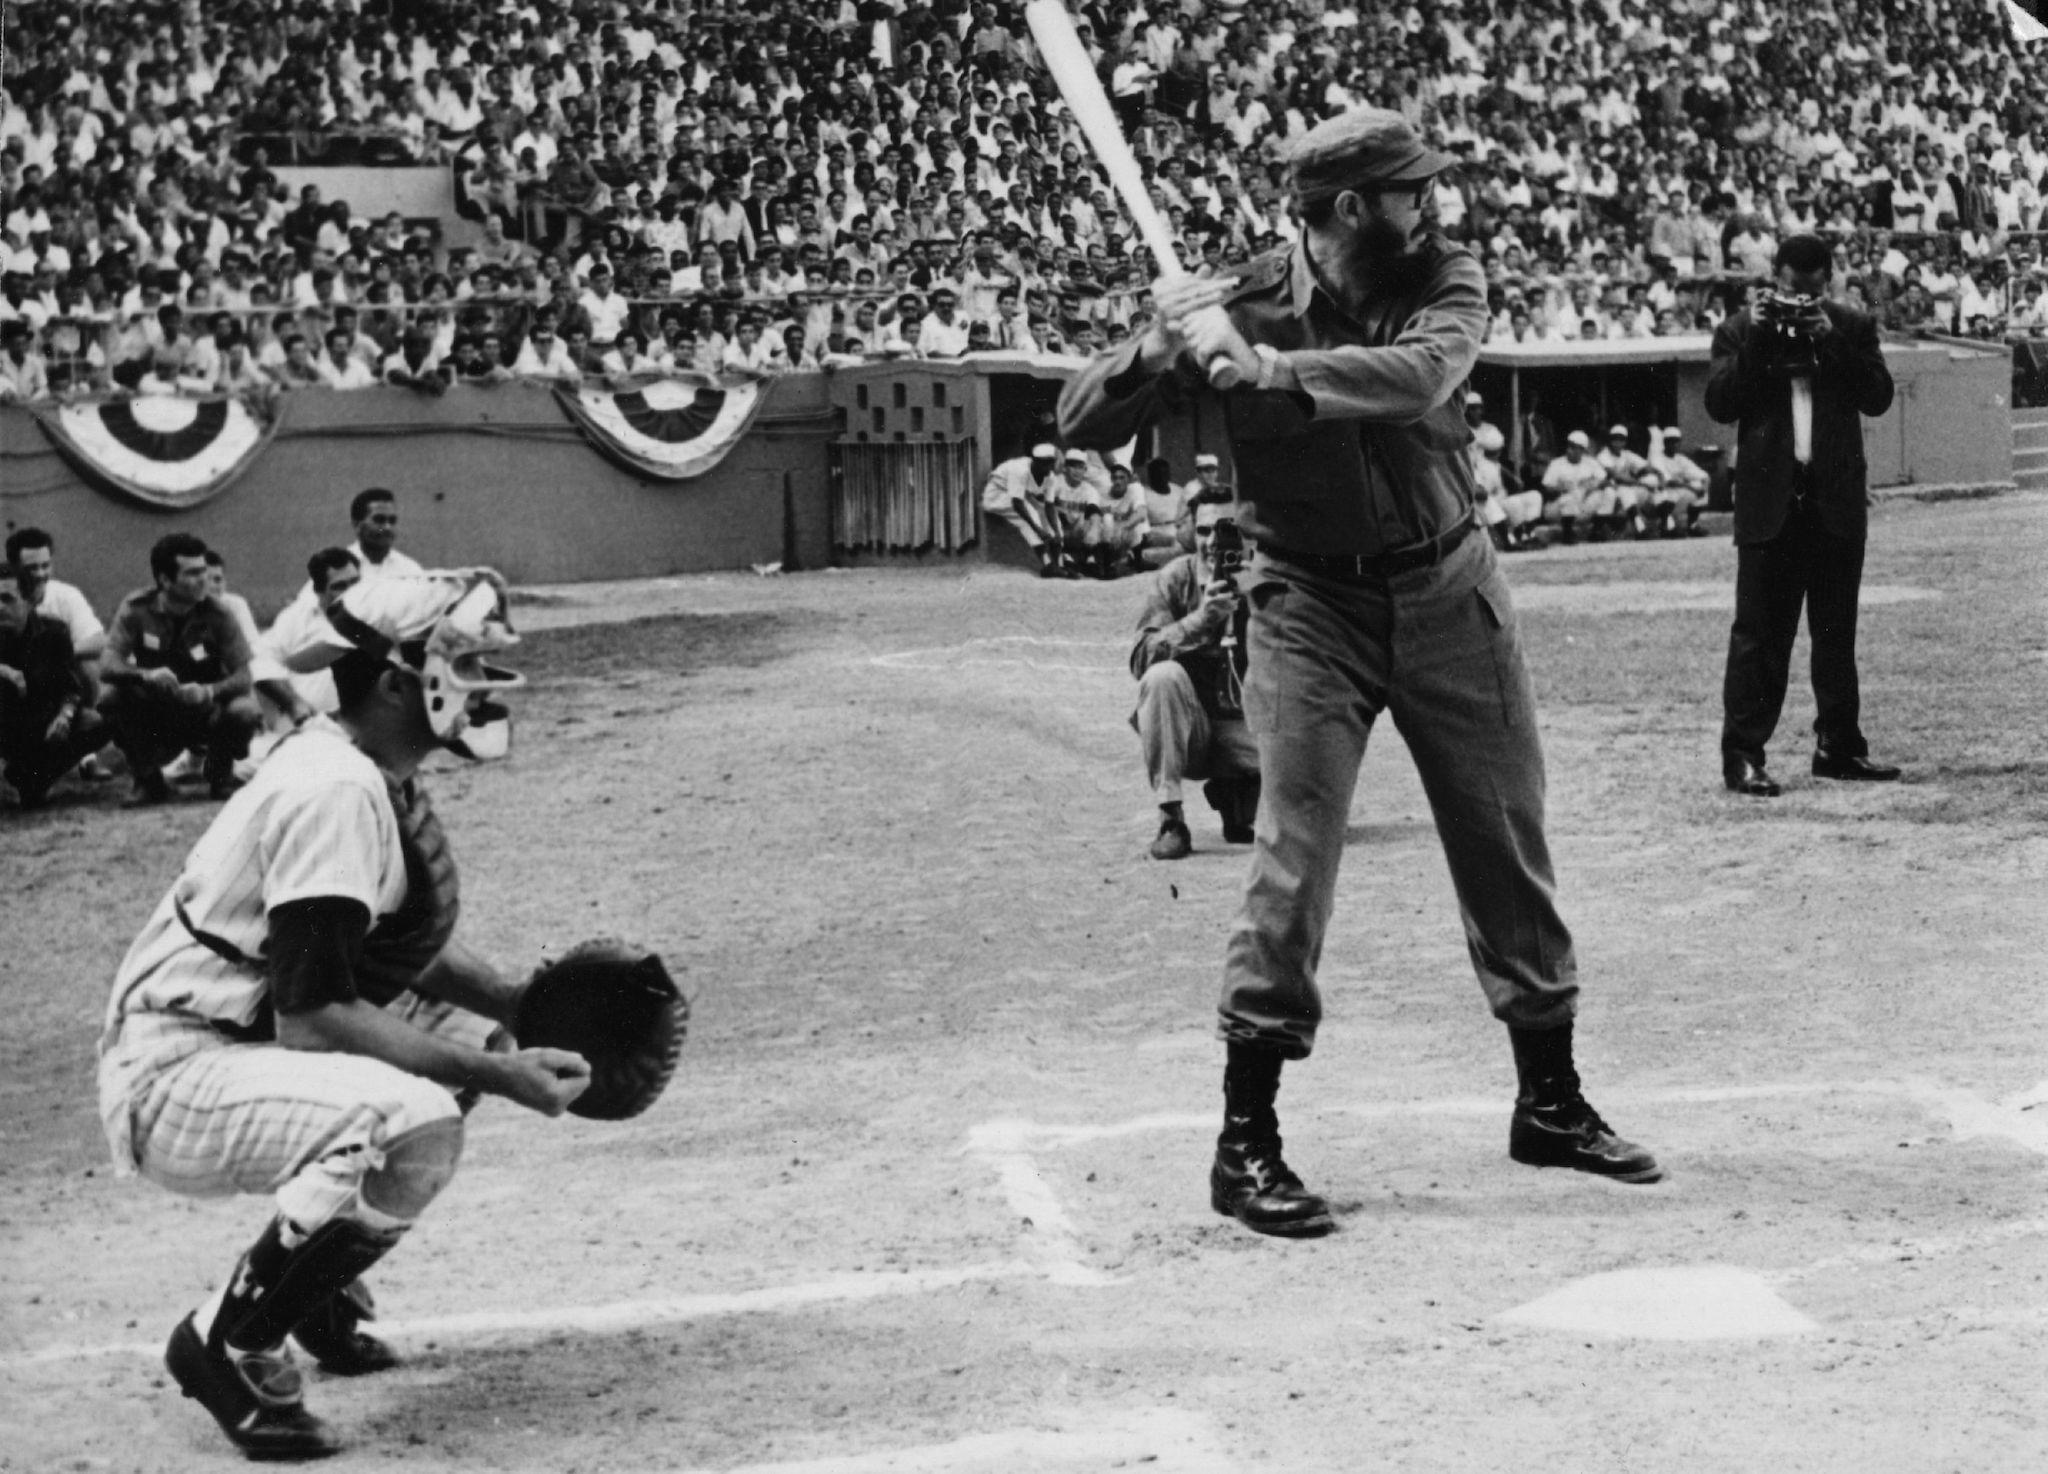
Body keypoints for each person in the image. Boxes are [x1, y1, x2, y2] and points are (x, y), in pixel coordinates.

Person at [1059, 107, 1662, 1240]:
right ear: (1345, 211)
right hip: (1307, 605)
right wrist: (1158, 345)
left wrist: (1271, 366)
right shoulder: (1238, 293)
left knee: (1504, 837)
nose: (1425, 205)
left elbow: (1420, 376)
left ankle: (1548, 1101)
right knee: (1292, 855)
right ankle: (1245, 1145)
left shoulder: (1444, 274)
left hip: (1447, 590)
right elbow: (1080, 416)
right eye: (1404, 191)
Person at [96, 570, 587, 1461]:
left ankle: (309, 1288)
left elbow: (376, 947)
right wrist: (502, 1079)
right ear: (400, 679)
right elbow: (315, 1015)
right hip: (175, 1070)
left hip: (230, 1038)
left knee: (465, 1035)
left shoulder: (360, 764)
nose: (477, 678)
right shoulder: (335, 788)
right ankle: (229, 1339)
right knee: (419, 1119)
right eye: (459, 659)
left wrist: (515, 1006)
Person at [1707, 234, 1899, 797]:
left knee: (1835, 634)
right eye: (1793, 291)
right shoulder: (1742, 329)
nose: (1801, 302)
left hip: (1833, 500)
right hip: (1771, 505)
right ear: (1776, 279)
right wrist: (1763, 337)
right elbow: (1721, 403)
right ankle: (1743, 756)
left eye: (1812, 294)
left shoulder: (1851, 326)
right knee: (1758, 639)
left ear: (1828, 283)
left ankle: (1838, 747)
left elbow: (1879, 396)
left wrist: (1830, 339)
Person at [1131, 489, 1262, 860]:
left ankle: (1237, 793)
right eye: (1204, 531)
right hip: (1193, 732)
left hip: (1249, 729)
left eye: (1226, 532)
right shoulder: (1175, 579)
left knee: (1270, 827)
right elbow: (1140, 658)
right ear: (1190, 531)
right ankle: (1171, 818)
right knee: (1162, 678)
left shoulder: (1265, 577)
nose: (1212, 544)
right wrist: (1199, 622)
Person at [97, 533, 264, 804]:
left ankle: (220, 774)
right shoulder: (136, 609)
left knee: (245, 711)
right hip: (157, 709)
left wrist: (208, 691)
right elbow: (107, 663)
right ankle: (148, 780)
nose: (204, 580)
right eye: (193, 573)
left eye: (205, 572)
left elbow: (244, 676)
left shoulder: (219, 614)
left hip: (206, 711)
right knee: (110, 698)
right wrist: (145, 675)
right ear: (164, 579)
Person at [0, 560, 108, 808]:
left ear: (29, 601)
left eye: (7, 599)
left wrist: (64, 715)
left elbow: (70, 686)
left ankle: (34, 778)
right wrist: (4, 671)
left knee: (95, 722)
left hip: (38, 723)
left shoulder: (54, 633)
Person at [980, 442, 1073, 577]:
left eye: (1050, 463)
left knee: (1046, 516)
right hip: (996, 495)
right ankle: (1047, 564)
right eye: (1044, 463)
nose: (1048, 467)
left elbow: (1049, 505)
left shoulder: (1050, 476)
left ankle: (1058, 565)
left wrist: (1057, 532)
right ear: (1035, 462)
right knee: (1028, 515)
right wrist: (1038, 529)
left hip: (1020, 496)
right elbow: (1017, 504)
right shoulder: (1020, 470)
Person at [1539, 430, 1615, 543]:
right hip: (1558, 509)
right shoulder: (1556, 463)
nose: (1570, 450)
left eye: (1575, 447)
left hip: (1582, 506)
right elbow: (1546, 489)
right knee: (1570, 497)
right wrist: (1560, 489)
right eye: (1569, 446)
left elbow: (1606, 481)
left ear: (1583, 450)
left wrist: (1593, 485)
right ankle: (1567, 534)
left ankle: (1596, 531)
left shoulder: (1591, 463)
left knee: (1609, 492)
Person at [1595, 425, 1663, 539]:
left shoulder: (1626, 454)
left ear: (1625, 442)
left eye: (1621, 439)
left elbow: (1646, 467)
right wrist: (1641, 483)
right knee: (1627, 492)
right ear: (1610, 440)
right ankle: (1639, 528)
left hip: (1625, 491)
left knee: (1652, 482)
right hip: (1609, 493)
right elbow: (1616, 476)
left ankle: (1665, 524)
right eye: (1615, 438)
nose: (1617, 442)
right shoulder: (1603, 455)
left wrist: (1660, 475)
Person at [1646, 427, 1712, 538]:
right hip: (1660, 499)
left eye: (1676, 441)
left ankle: (1692, 526)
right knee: (1664, 493)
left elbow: (1704, 476)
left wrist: (1704, 487)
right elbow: (1669, 482)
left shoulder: (1681, 459)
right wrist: (1690, 488)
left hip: (1678, 495)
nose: (1674, 444)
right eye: (1670, 441)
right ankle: (1666, 527)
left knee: (1699, 487)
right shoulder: (1657, 458)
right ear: (1665, 443)